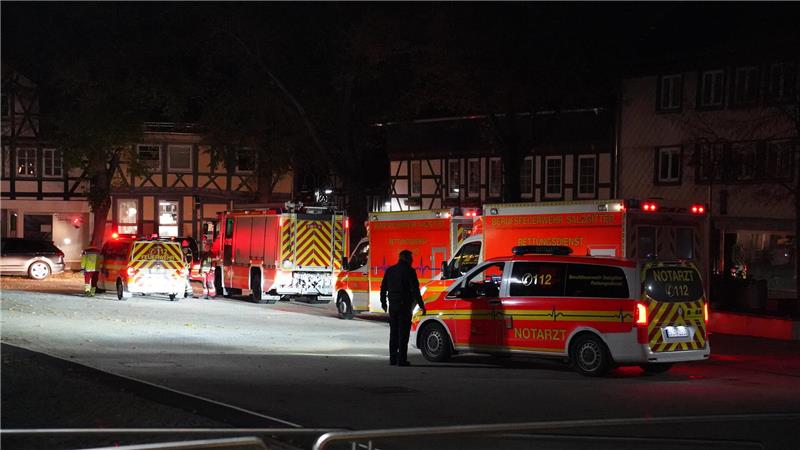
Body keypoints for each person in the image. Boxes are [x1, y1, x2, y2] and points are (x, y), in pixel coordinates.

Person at [380, 249, 426, 366]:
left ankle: (393, 359)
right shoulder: (410, 271)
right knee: (403, 333)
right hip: (405, 306)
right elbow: (415, 290)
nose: (412, 260)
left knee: (393, 332)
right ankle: (402, 360)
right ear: (406, 258)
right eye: (411, 258)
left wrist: (383, 303)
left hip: (393, 306)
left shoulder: (390, 270)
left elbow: (383, 287)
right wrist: (421, 305)